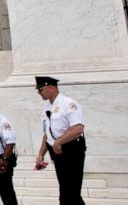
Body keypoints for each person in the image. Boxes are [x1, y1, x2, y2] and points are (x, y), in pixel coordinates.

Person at [34, 76, 86, 205]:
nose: (38, 93)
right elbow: (48, 134)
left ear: (51, 88)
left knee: (69, 192)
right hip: (57, 152)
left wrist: (59, 142)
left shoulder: (68, 104)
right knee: (67, 191)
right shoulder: (47, 107)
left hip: (72, 150)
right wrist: (41, 154)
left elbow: (78, 128)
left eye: (41, 89)